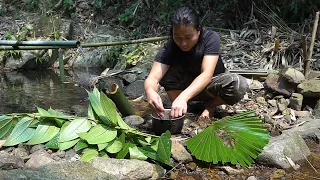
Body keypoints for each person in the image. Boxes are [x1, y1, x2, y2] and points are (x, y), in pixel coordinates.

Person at [144, 7, 248, 119]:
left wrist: (183, 97)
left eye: (188, 37)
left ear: (198, 30)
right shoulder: (169, 48)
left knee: (238, 84)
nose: (183, 43)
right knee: (165, 72)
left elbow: (206, 74)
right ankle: (181, 111)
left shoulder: (210, 38)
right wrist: (150, 91)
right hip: (184, 88)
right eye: (177, 37)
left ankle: (210, 106)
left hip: (211, 87)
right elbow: (152, 78)